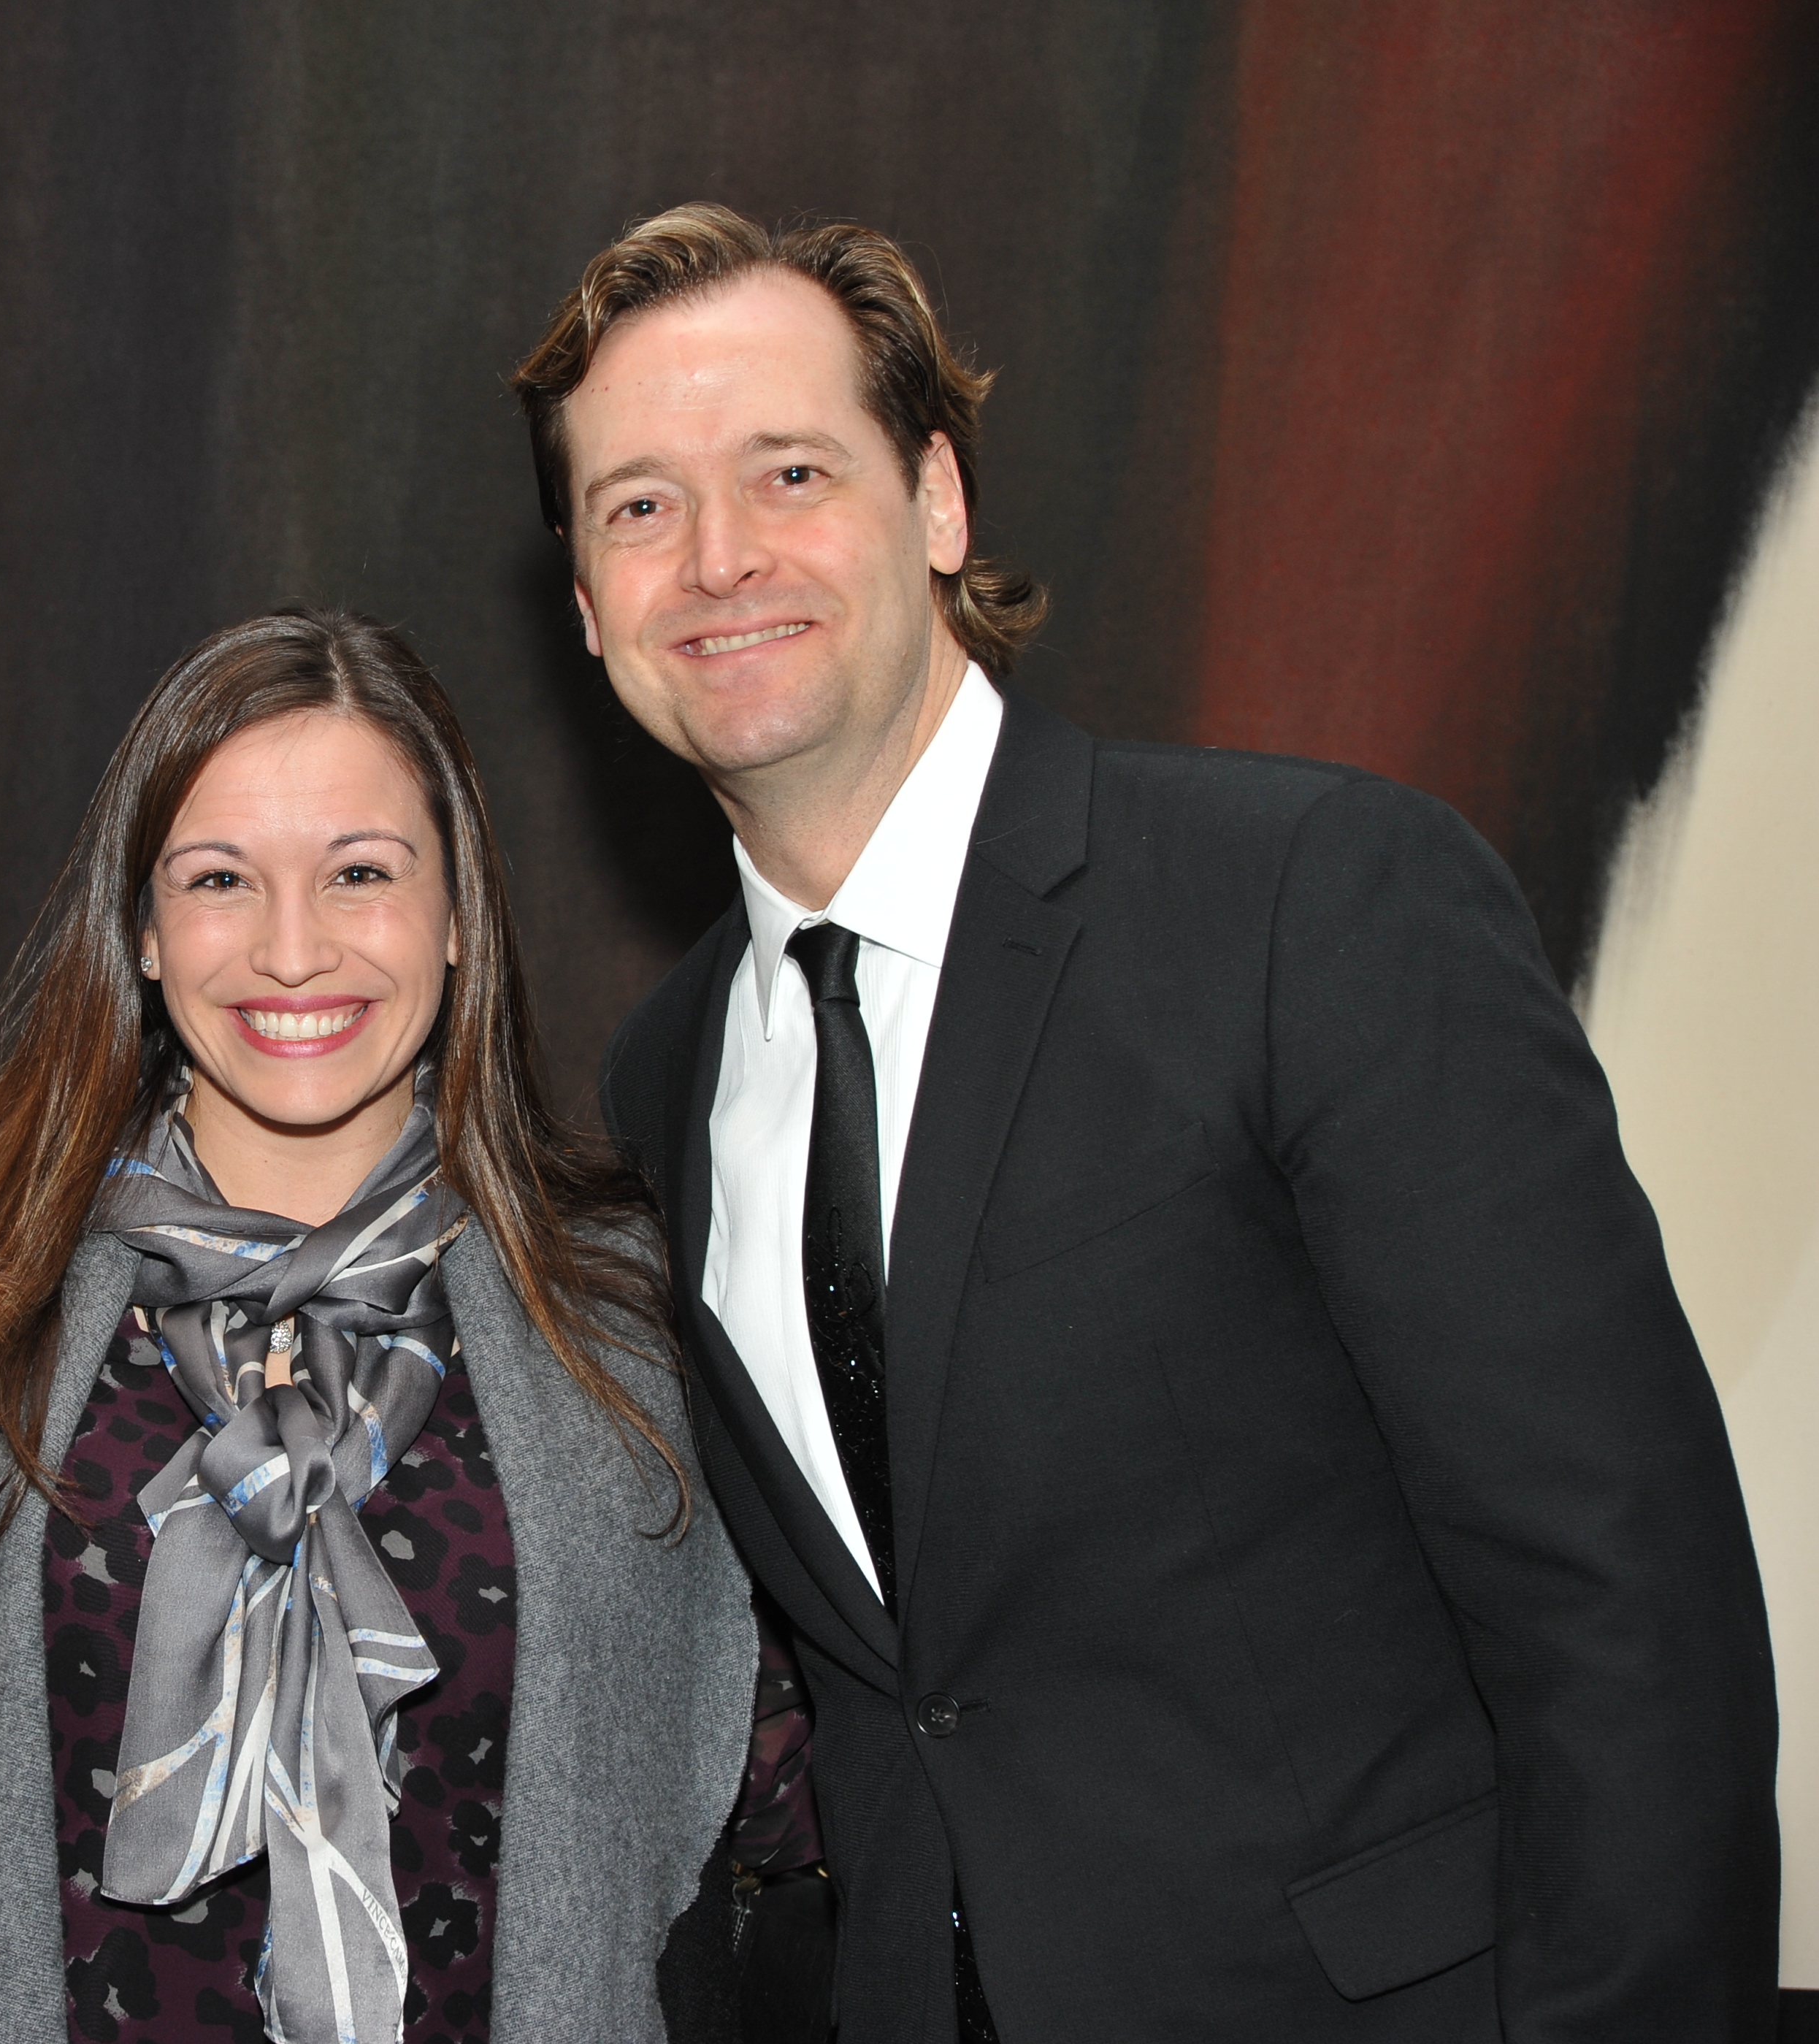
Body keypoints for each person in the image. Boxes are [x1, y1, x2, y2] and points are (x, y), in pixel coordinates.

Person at [514, 206, 1782, 2043]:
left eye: (787, 470)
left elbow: (1624, 1610)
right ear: (583, 603)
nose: (716, 558)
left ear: (935, 504)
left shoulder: (1310, 905)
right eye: (636, 506)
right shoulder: (668, 1069)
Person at [0, 610, 789, 2043]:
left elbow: (744, 1789)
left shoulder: (622, 1308)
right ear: (140, 926)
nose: (291, 949)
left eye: (360, 875)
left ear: (459, 917)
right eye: (218, 879)